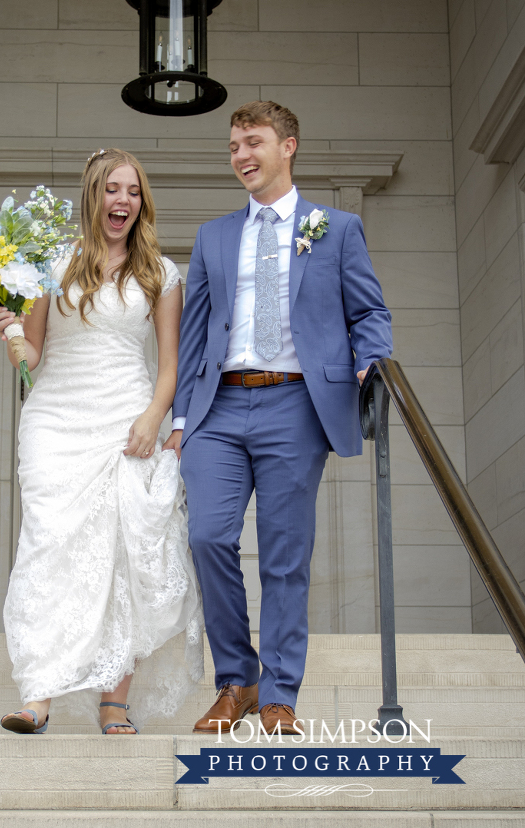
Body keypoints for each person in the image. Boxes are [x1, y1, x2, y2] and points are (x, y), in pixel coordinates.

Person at [163, 101, 392, 736]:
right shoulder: (213, 236)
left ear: (288, 147)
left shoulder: (336, 228)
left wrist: (371, 359)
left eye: (254, 143)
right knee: (208, 537)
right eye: (235, 145)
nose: (242, 156)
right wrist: (182, 418)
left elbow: (370, 313)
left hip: (295, 404)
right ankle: (236, 681)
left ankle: (279, 695)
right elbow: (194, 332)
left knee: (286, 557)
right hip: (219, 405)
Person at [0, 148, 203, 735]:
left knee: (122, 556)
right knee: (48, 545)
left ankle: (114, 700)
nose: (123, 201)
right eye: (113, 189)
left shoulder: (160, 272)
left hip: (126, 421)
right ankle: (38, 693)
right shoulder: (47, 263)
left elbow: (169, 364)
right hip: (55, 421)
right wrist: (10, 330)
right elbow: (32, 357)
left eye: (133, 192)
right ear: (94, 193)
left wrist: (153, 416)